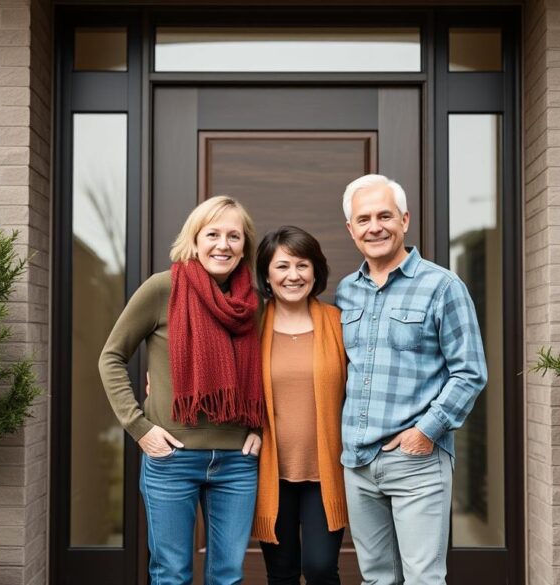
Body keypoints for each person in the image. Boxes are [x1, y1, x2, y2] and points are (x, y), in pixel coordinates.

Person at [99, 196, 264, 585]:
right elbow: (111, 357)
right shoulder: (163, 289)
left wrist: (260, 429)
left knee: (228, 576)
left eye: (234, 236)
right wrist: (139, 428)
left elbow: (263, 373)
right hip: (172, 458)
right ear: (195, 239)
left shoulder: (252, 303)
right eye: (213, 234)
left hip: (237, 462)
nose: (223, 245)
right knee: (171, 574)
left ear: (245, 246)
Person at [335, 174, 487, 585]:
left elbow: (470, 372)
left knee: (422, 579)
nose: (375, 227)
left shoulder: (442, 286)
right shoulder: (347, 292)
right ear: (351, 229)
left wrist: (425, 432)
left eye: (384, 216)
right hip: (358, 463)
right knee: (377, 579)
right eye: (364, 219)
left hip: (416, 461)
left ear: (404, 220)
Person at [252, 226, 348, 585]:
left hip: (325, 471)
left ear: (315, 271)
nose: (293, 275)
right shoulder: (252, 325)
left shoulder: (338, 322)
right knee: (281, 574)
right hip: (270, 471)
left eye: (302, 265)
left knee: (321, 569)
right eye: (282, 266)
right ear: (267, 274)